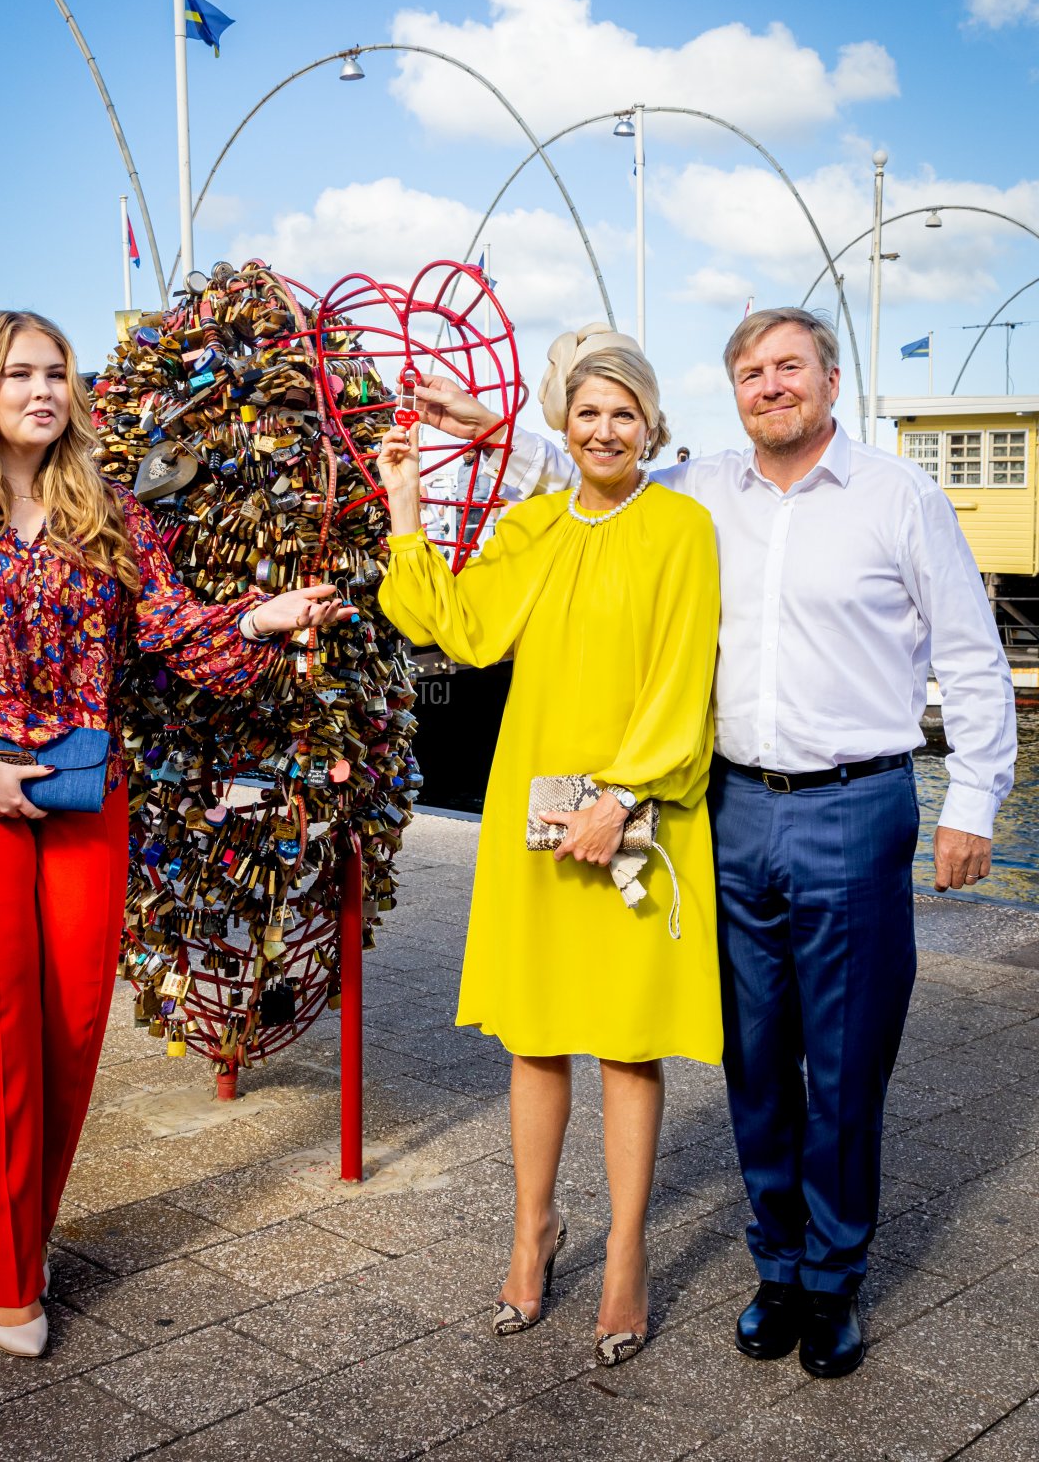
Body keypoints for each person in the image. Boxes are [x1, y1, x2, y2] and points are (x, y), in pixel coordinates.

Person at [412, 309, 1015, 1378]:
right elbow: (589, 467)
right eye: (752, 372)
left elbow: (969, 655)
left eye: (790, 368)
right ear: (731, 392)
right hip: (733, 807)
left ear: (832, 377)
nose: (772, 387)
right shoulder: (705, 489)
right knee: (755, 1060)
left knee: (844, 1059)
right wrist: (480, 429)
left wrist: (973, 797)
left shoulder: (897, 497)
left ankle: (832, 1281)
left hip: (850, 799)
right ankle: (774, 1263)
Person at [0, 309, 353, 1359]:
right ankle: (6, 1274)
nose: (44, 390)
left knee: (72, 1027)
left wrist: (259, 619)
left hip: (78, 791)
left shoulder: (107, 510)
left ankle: (25, 1230)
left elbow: (172, 633)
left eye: (59, 373)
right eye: (22, 373)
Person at [376, 335, 721, 1368]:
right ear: (563, 427)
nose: (606, 430)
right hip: (535, 815)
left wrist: (620, 797)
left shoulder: (683, 527)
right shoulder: (531, 523)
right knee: (534, 1035)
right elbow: (463, 629)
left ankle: (625, 1255)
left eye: (625, 413)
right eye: (588, 413)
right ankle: (532, 1233)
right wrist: (402, 506)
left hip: (638, 812)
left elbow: (682, 681)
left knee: (624, 1039)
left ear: (651, 426)